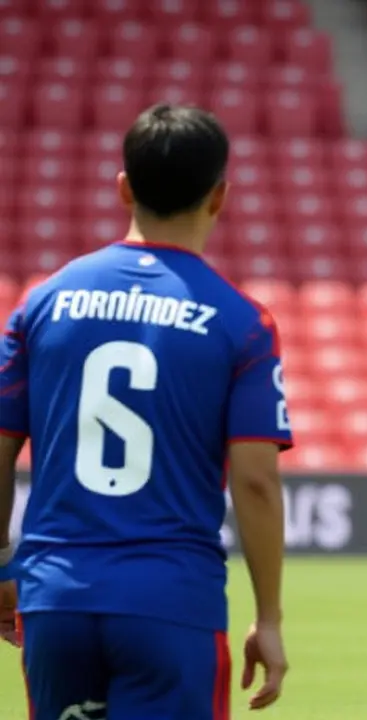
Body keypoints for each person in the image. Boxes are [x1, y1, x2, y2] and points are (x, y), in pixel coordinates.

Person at [0, 104, 292, 719]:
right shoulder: (242, 323)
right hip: (171, 603)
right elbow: (257, 483)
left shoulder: (41, 302)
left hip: (55, 598)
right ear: (219, 197)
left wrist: (2, 563)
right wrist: (267, 617)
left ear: (124, 189)